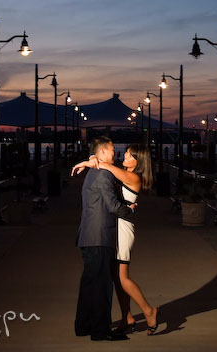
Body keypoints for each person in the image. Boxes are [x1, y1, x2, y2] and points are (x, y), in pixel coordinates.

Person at [72, 143, 159, 335]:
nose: (123, 156)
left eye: (129, 155)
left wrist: (89, 162)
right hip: (114, 227)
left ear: (138, 161)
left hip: (123, 228)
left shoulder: (133, 176)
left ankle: (149, 311)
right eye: (125, 153)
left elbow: (107, 167)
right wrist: (93, 160)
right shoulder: (123, 172)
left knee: (122, 277)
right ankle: (127, 317)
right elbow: (105, 166)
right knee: (116, 277)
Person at [74, 136, 136, 341]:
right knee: (102, 286)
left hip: (88, 235)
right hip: (100, 236)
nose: (114, 153)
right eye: (111, 150)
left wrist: (90, 159)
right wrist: (129, 211)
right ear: (101, 153)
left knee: (89, 284)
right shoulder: (104, 175)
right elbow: (112, 206)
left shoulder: (94, 171)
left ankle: (83, 326)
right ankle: (101, 331)